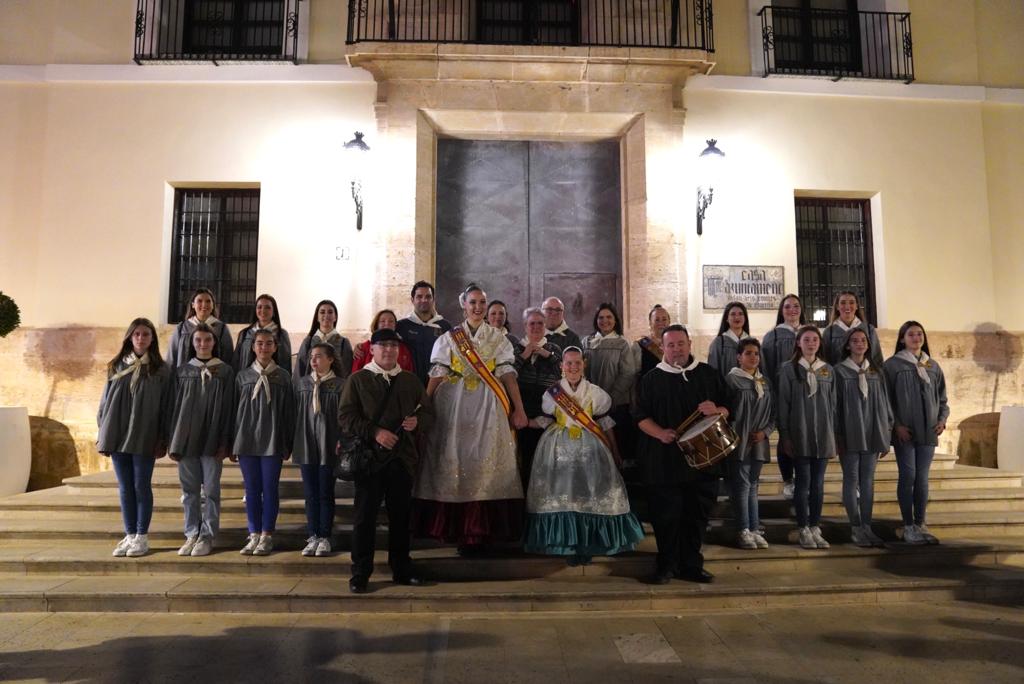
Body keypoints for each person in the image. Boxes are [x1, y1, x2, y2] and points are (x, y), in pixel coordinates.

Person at [413, 283, 529, 552]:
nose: (478, 308)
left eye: (482, 303)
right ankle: (453, 528)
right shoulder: (449, 338)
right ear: (463, 305)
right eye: (473, 302)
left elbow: (508, 374)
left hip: (490, 405)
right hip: (452, 405)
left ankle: (485, 530)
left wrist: (519, 408)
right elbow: (437, 373)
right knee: (453, 460)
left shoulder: (499, 338)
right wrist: (425, 407)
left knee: (487, 463)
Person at [524, 348, 644, 565]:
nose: (573, 367)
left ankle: (588, 542)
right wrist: (525, 423)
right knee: (563, 495)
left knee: (589, 495)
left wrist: (615, 452)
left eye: (577, 363)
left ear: (584, 364)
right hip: (558, 450)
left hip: (591, 449)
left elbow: (606, 424)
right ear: (562, 366)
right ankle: (566, 543)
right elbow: (546, 421)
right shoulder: (552, 394)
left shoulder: (595, 393)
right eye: (568, 363)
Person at [339, 328, 434, 593]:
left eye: (394, 346)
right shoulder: (358, 380)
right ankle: (360, 573)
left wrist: (417, 422)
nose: (389, 350)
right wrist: (376, 432)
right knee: (364, 519)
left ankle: (401, 569)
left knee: (401, 519)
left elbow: (428, 414)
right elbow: (346, 417)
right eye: (384, 345)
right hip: (370, 460)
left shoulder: (410, 381)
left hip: (401, 460)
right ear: (372, 349)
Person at [635, 324, 730, 584]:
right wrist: (660, 433)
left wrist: (718, 409)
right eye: (671, 345)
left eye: (681, 344)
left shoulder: (708, 374)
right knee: (666, 516)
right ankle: (666, 565)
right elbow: (641, 417)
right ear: (663, 348)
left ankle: (691, 565)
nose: (676, 349)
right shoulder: (651, 379)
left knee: (696, 516)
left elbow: (728, 407)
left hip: (703, 461)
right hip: (663, 461)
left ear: (689, 344)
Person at [97, 318, 173, 558]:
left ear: (152, 339)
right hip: (118, 434)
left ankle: (142, 536)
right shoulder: (116, 366)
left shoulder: (161, 370)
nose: (141, 338)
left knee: (141, 486)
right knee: (125, 487)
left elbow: (166, 407)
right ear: (130, 337)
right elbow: (105, 402)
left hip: (144, 434)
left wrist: (163, 437)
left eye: (146, 335)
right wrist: (103, 431)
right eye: (137, 334)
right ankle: (129, 534)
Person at [167, 323, 236, 557]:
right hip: (186, 439)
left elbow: (229, 409)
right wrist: (173, 439)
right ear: (192, 343)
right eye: (198, 340)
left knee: (212, 490)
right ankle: (191, 534)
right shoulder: (182, 371)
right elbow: (173, 408)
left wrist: (225, 441)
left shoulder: (225, 372)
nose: (203, 344)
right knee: (189, 490)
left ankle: (207, 535)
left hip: (213, 438)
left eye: (207, 340)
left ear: (214, 343)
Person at [884, 321, 949, 545]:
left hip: (928, 431)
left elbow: (942, 399)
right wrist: (896, 425)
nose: (915, 338)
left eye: (919, 334)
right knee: (908, 476)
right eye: (910, 334)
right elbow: (887, 399)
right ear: (902, 339)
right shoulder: (892, 365)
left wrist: (942, 420)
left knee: (922, 478)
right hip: (905, 431)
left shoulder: (932, 365)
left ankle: (921, 522)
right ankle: (908, 525)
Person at [232, 329, 295, 556]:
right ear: (253, 347)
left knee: (269, 488)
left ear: (275, 347)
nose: (264, 348)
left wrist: (288, 442)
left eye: (269, 343)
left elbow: (289, 412)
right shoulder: (242, 376)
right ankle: (253, 533)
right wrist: (232, 440)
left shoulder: (284, 377)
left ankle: (267, 534)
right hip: (247, 439)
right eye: (259, 343)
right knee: (251, 489)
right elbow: (233, 411)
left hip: (273, 440)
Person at [778, 325, 836, 550]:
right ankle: (803, 527)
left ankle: (815, 526)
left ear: (819, 343)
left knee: (818, 484)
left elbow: (833, 404)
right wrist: (785, 435)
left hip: (823, 433)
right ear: (798, 343)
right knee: (803, 483)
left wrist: (834, 433)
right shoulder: (788, 369)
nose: (811, 343)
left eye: (814, 340)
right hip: (799, 432)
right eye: (806, 340)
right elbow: (784, 404)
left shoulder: (827, 370)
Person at [835, 328, 893, 548]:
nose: (859, 343)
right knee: (851, 478)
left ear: (868, 345)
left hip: (872, 430)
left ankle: (867, 525)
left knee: (867, 480)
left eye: (863, 340)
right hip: (849, 431)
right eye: (854, 340)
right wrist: (837, 433)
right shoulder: (839, 371)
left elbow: (885, 402)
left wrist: (886, 430)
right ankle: (855, 527)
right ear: (848, 345)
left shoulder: (876, 371)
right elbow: (835, 406)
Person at [292, 343, 346, 558]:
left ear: (331, 359)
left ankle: (325, 536)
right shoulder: (303, 383)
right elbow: (295, 412)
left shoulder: (340, 385)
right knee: (310, 493)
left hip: (328, 444)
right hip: (306, 443)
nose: (314, 360)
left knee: (325, 492)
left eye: (319, 356)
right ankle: (312, 535)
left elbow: (345, 416)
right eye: (312, 357)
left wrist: (343, 439)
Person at [725, 338, 773, 550]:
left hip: (759, 441)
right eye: (748, 353)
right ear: (739, 357)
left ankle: (754, 528)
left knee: (753, 486)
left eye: (756, 353)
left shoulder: (764, 382)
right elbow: (726, 412)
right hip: (739, 440)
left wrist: (765, 432)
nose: (753, 357)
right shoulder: (732, 380)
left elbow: (774, 414)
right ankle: (743, 529)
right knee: (742, 486)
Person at [760, 293, 806, 499]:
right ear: (781, 311)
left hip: (807, 395)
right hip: (782, 393)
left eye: (796, 306)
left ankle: (803, 479)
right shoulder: (773, 336)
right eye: (787, 307)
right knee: (785, 437)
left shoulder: (810, 333)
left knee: (803, 435)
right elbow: (767, 367)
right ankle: (788, 479)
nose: (792, 310)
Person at [514, 307, 563, 488]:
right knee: (522, 461)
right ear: (525, 326)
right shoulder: (515, 348)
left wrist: (546, 354)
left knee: (544, 462)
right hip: (521, 410)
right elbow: (509, 374)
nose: (536, 327)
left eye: (540, 323)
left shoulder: (554, 348)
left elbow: (563, 373)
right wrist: (525, 354)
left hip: (546, 413)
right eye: (531, 323)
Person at [581, 303, 634, 464]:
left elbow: (628, 373)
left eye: (609, 317)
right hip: (590, 404)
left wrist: (610, 398)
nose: (605, 321)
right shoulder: (586, 342)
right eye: (601, 317)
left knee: (616, 447)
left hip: (615, 403)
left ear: (615, 320)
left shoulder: (622, 343)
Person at [395, 280, 453, 386]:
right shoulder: (401, 326)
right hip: (409, 384)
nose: (424, 300)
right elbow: (381, 343)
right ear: (412, 300)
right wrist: (361, 347)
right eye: (419, 296)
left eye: (428, 296)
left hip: (439, 385)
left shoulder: (445, 326)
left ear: (433, 299)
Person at [165, 287, 234, 367]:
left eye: (208, 301)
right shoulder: (182, 328)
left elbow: (228, 358)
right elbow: (172, 357)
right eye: (199, 301)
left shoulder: (221, 328)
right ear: (193, 305)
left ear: (213, 306)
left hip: (214, 376)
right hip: (185, 377)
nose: (204, 304)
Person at [294, 299, 354, 380]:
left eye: (330, 312)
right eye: (322, 312)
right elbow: (299, 371)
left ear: (335, 317)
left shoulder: (343, 342)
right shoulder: (308, 342)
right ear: (317, 317)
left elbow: (347, 371)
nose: (326, 315)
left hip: (335, 390)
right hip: (310, 389)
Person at [822, 291, 883, 368]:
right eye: (843, 303)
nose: (847, 306)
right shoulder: (829, 332)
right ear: (837, 306)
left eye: (851, 302)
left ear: (857, 306)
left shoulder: (869, 330)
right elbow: (825, 360)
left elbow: (877, 358)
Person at [233, 293, 292, 372]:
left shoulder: (281, 335)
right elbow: (236, 362)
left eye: (267, 307)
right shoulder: (245, 334)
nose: (263, 310)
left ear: (274, 311)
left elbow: (286, 364)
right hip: (247, 382)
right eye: (259, 307)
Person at [352, 309, 414, 374]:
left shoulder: (403, 348)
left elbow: (408, 372)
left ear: (395, 325)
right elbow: (355, 374)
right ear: (377, 325)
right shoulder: (363, 348)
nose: (387, 324)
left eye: (391, 321)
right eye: (382, 321)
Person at [707, 301, 750, 378]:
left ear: (745, 318)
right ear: (726, 318)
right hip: (726, 388)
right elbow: (713, 372)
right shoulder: (719, 343)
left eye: (740, 314)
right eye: (733, 314)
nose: (737, 317)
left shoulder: (751, 342)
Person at [634, 305, 672, 379]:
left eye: (664, 319)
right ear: (650, 323)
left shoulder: (675, 344)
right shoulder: (640, 345)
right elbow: (633, 374)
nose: (661, 323)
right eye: (657, 320)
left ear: (669, 322)